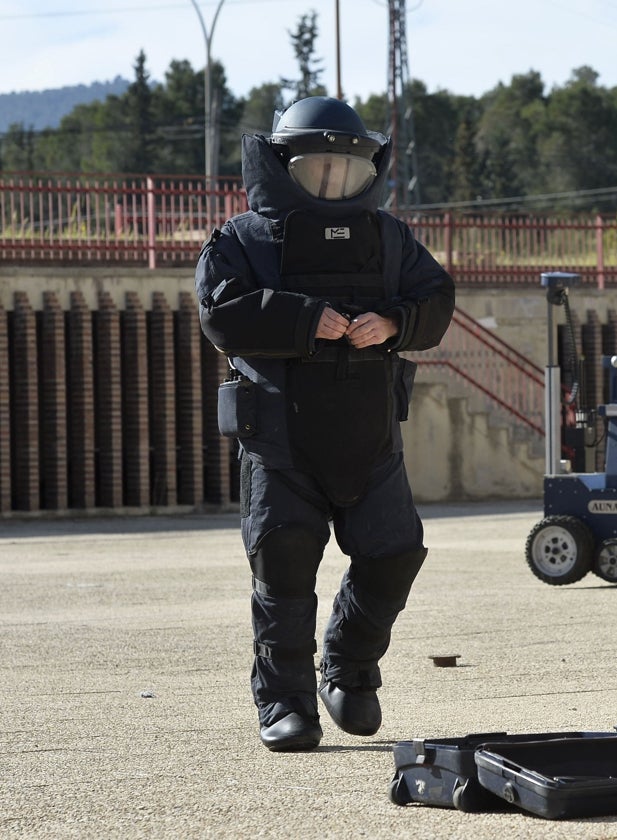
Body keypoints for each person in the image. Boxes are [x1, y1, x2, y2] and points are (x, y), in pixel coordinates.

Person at [194, 96, 455, 752]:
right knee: (282, 562)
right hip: (279, 441)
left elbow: (437, 297)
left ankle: (350, 669)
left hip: (370, 438)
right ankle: (285, 703)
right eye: (317, 168)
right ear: (285, 165)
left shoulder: (391, 237)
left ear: (367, 169)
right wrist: (303, 319)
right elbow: (218, 310)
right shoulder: (242, 239)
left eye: (346, 167)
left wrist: (396, 322)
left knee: (395, 554)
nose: (333, 181)